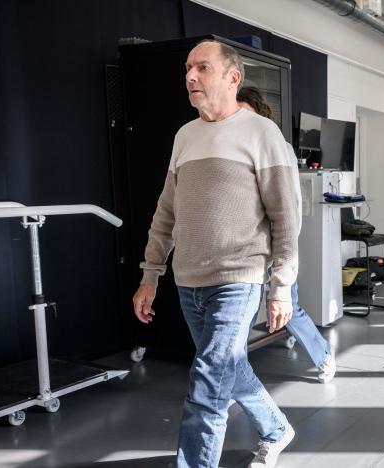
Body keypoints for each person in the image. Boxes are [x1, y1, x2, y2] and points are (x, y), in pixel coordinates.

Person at [131, 40, 300, 468]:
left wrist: (280, 286)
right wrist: (150, 274)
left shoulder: (262, 133)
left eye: (202, 68)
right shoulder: (185, 135)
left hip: (238, 278)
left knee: (208, 383)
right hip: (188, 279)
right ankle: (277, 428)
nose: (190, 77)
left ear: (233, 77)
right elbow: (166, 210)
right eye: (188, 68)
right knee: (226, 366)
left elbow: (286, 216)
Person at [237, 85, 336, 383]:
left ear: (262, 116)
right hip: (245, 250)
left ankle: (323, 355)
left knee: (287, 308)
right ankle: (231, 380)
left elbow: (290, 203)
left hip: (275, 244)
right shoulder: (232, 148)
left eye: (247, 114)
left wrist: (285, 250)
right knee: (240, 319)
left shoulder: (279, 148)